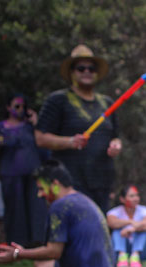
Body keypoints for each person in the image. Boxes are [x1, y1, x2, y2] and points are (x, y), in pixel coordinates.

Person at [35, 44, 122, 213]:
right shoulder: (58, 100)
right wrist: (70, 141)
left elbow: (115, 136)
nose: (87, 71)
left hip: (101, 180)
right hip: (70, 182)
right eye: (81, 68)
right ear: (72, 72)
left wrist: (116, 146)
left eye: (91, 68)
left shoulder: (107, 103)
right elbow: (40, 137)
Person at [0, 93, 47, 247]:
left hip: (34, 173)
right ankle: (17, 244)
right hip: (11, 173)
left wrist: (36, 123)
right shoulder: (0, 128)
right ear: (8, 107)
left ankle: (38, 242)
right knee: (15, 209)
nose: (21, 109)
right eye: (17, 106)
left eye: (23, 106)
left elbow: (43, 143)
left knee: (37, 207)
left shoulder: (30, 126)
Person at [106, 184, 146, 267]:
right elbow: (111, 223)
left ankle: (135, 256)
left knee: (143, 231)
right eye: (132, 196)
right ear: (122, 199)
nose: (136, 198)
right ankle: (122, 256)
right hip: (121, 249)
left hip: (144, 251)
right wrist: (130, 222)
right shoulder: (114, 212)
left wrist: (133, 229)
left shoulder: (144, 210)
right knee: (117, 231)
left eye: (137, 195)